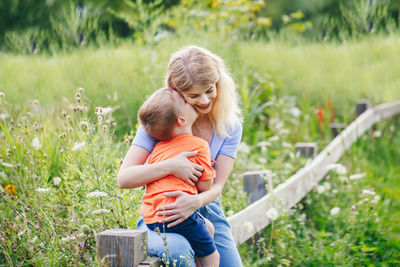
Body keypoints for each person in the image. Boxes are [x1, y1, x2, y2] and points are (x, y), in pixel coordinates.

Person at [118, 45, 243, 267]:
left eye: (210, 90)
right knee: (180, 252)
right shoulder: (161, 122)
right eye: (194, 95)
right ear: (175, 91)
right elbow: (124, 178)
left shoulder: (230, 126)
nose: (204, 100)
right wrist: (171, 166)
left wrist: (195, 201)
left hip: (207, 210)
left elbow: (217, 185)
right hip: (162, 211)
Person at [137, 87, 219, 266]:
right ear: (182, 120)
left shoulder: (157, 149)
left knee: (208, 228)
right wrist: (208, 169)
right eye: (184, 101)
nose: (190, 102)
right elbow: (205, 187)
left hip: (152, 218)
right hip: (179, 215)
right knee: (213, 257)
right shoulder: (198, 145)